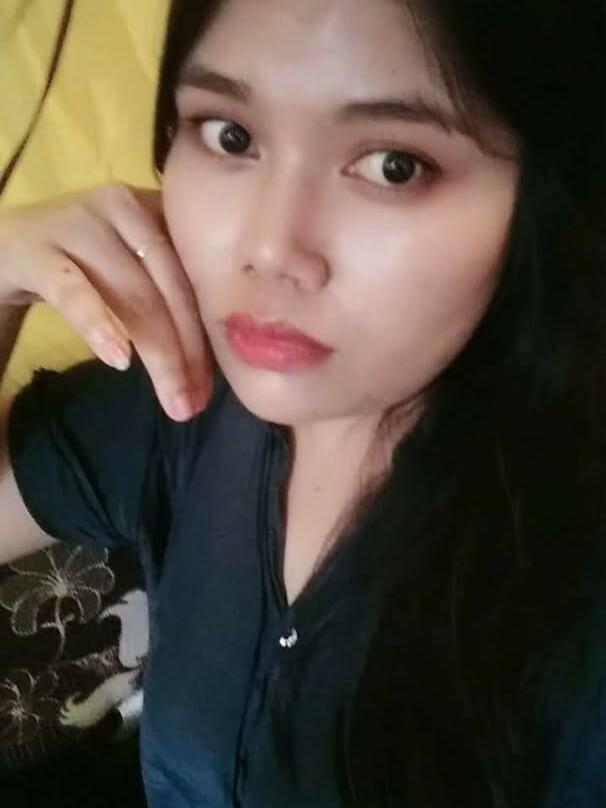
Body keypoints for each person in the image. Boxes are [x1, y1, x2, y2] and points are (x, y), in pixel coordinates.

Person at [0, 0, 604, 805]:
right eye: (230, 136)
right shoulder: (181, 395)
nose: (270, 249)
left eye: (394, 165)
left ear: (545, 194)